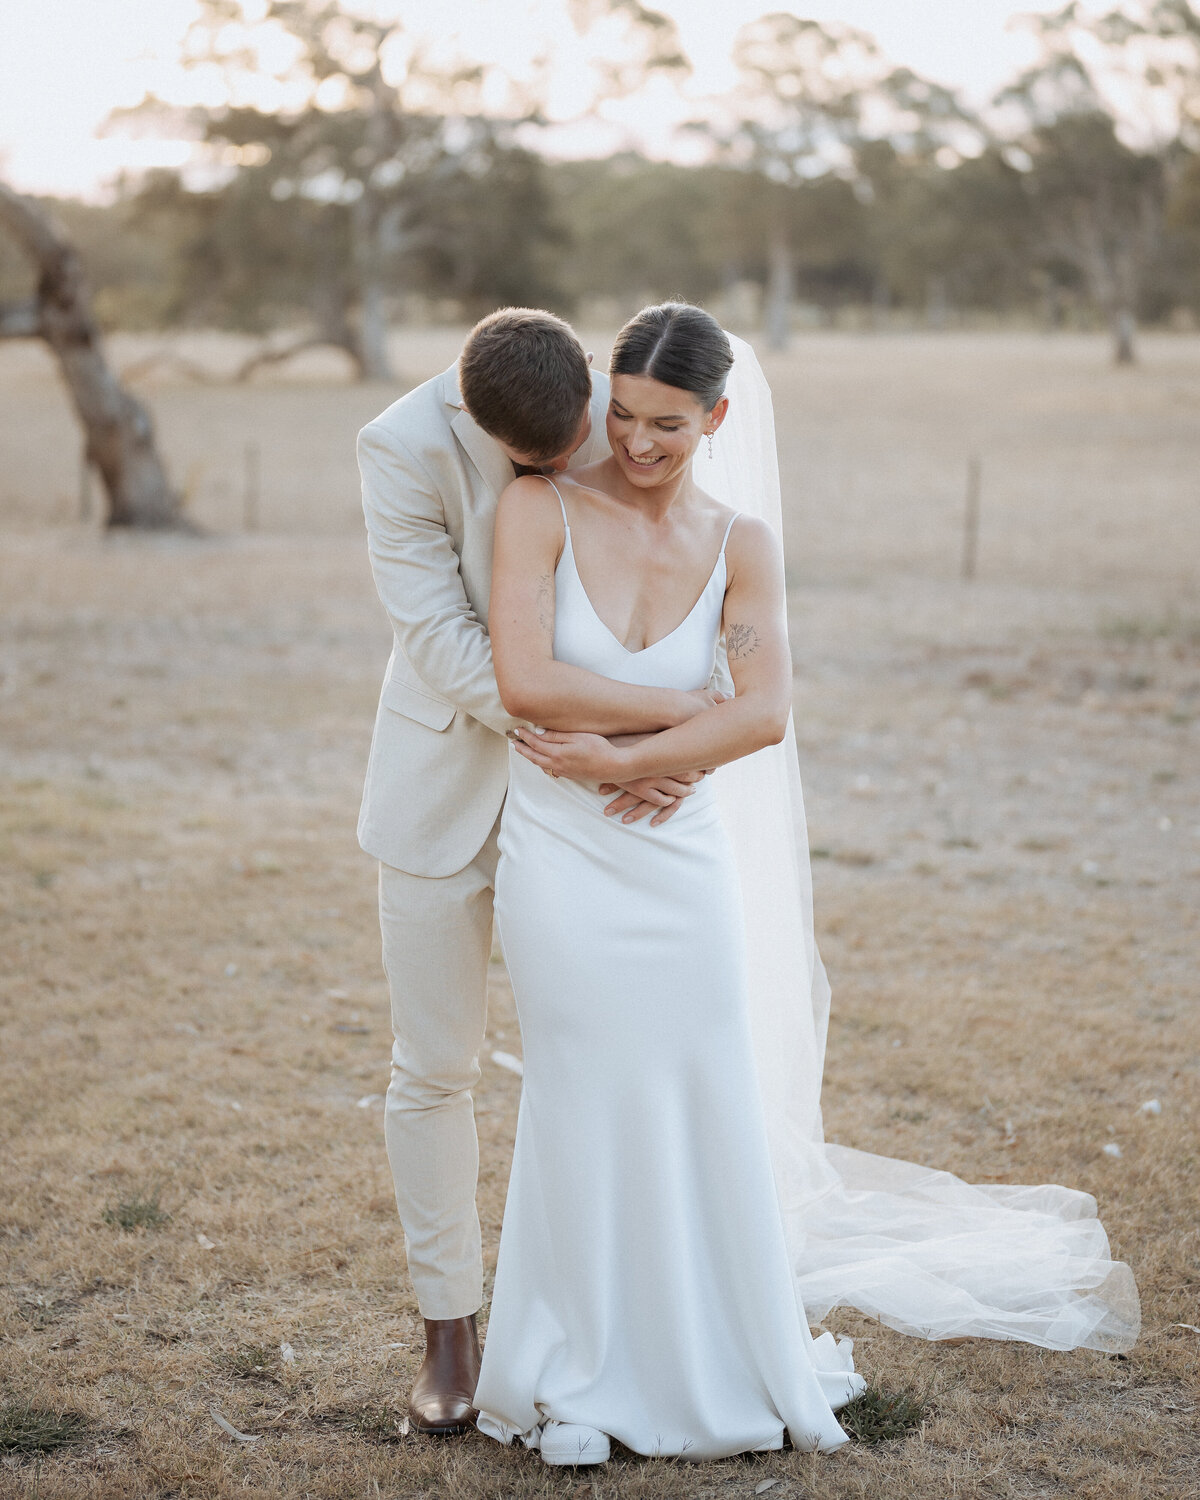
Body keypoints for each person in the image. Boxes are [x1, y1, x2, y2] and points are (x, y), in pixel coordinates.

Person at [471, 302, 1139, 1467]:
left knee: (699, 1091)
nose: (634, 443)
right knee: (580, 1096)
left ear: (718, 418)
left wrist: (632, 759)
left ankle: (715, 1357)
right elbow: (527, 682)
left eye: (667, 425)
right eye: (620, 415)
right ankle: (573, 1367)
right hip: (563, 863)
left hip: (678, 868)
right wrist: (689, 714)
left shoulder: (743, 545)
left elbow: (767, 716)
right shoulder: (538, 506)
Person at [357, 308, 726, 1434]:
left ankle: (616, 1318)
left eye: (585, 434)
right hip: (452, 792)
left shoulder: (605, 399)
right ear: (479, 425)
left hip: (606, 806)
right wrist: (635, 731)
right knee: (436, 1066)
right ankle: (451, 1335)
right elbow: (448, 642)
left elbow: (666, 567)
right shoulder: (397, 449)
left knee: (609, 1063)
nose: (581, 462)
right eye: (544, 459)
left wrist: (673, 747)